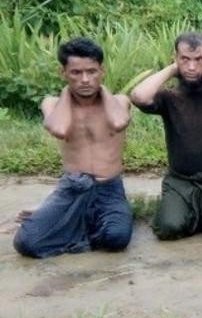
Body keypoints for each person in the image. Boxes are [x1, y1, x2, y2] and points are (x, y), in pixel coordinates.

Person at [14, 38, 133, 258]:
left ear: (102, 71)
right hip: (72, 187)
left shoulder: (119, 101)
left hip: (109, 188)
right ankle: (60, 215)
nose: (85, 79)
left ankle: (68, 222)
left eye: (92, 71)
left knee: (116, 237)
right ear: (63, 73)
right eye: (76, 73)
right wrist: (67, 93)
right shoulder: (52, 103)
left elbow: (118, 122)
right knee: (26, 242)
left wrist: (102, 89)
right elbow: (60, 129)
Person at [130, 32, 202, 239]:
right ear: (175, 58)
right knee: (168, 228)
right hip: (180, 181)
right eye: (185, 59)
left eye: (199, 59)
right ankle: (190, 214)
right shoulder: (168, 97)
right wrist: (172, 69)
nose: (192, 67)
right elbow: (138, 97)